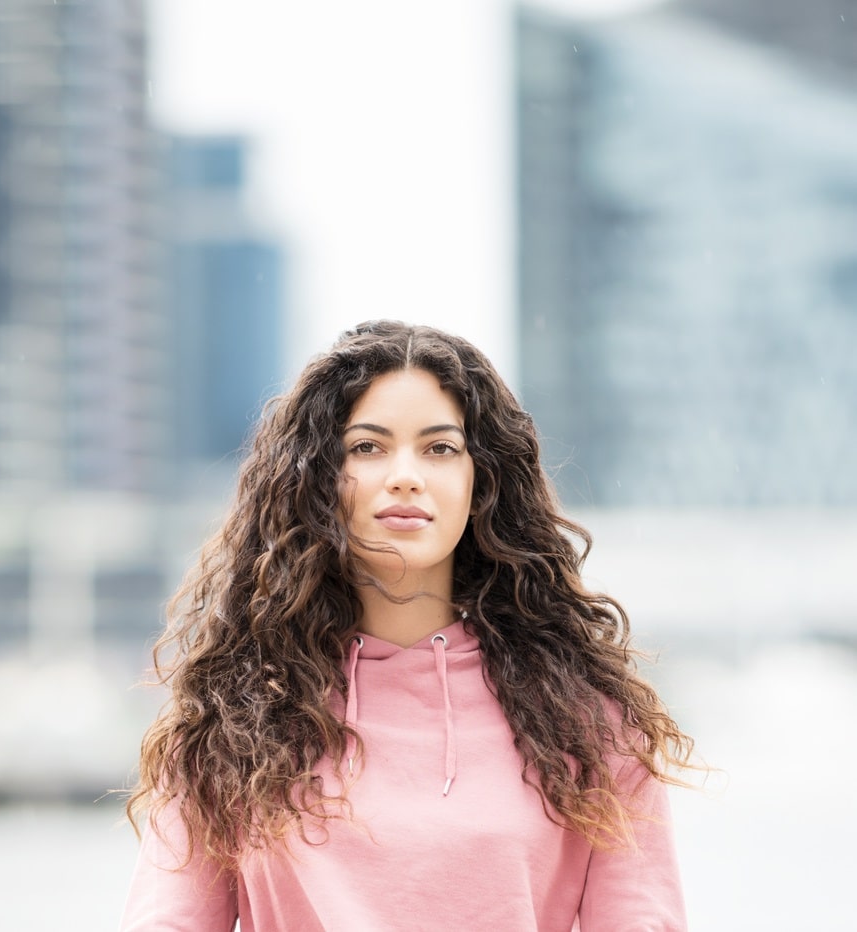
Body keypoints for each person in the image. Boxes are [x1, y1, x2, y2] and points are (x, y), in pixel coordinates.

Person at [120, 320, 695, 931]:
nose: (405, 474)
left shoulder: (591, 725)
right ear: (318, 480)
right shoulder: (228, 725)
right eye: (366, 447)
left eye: (440, 448)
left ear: (482, 483)